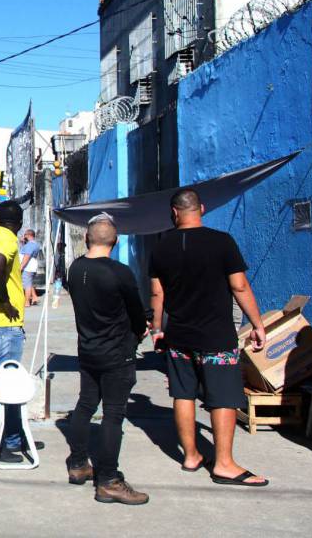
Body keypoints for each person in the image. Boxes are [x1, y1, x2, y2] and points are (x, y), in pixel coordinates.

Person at [149, 189, 268, 487]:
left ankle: (190, 456)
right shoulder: (222, 242)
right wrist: (257, 323)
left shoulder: (161, 248)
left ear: (174, 213)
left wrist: (156, 328)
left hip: (178, 335)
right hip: (216, 336)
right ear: (200, 209)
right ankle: (224, 464)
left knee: (183, 393)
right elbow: (239, 287)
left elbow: (157, 293)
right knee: (223, 396)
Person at [65, 213, 150, 505]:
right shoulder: (119, 272)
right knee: (113, 414)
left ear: (88, 238)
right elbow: (137, 314)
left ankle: (77, 463)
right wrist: (140, 332)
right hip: (116, 353)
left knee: (86, 403)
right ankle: (109, 479)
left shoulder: (75, 269)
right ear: (115, 241)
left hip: (88, 349)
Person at [0, 200, 43, 463]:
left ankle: (11, 438)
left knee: (7, 384)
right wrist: (4, 302)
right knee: (1, 387)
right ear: (20, 221)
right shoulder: (6, 241)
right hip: (2, 325)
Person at [19, 229, 41, 306]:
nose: (24, 236)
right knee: (29, 283)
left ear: (28, 235)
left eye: (25, 235)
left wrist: (21, 267)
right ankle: (34, 297)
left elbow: (27, 256)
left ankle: (27, 302)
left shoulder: (30, 245)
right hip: (31, 266)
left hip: (28, 267)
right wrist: (22, 242)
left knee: (27, 285)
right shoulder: (34, 244)